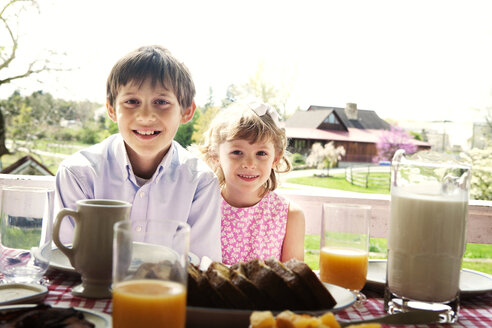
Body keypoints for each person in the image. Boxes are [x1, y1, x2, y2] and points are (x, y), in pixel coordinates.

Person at [55, 45, 222, 261]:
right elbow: (63, 258)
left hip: (166, 293)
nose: (145, 116)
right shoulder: (78, 174)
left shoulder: (201, 182)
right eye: (132, 102)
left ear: (186, 111)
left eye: (161, 102)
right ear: (112, 110)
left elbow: (201, 265)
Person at [199, 101, 305, 264]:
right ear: (216, 156)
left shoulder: (290, 215)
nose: (249, 163)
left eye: (261, 153)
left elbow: (292, 282)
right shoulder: (201, 206)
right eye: (237, 152)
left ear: (275, 159)